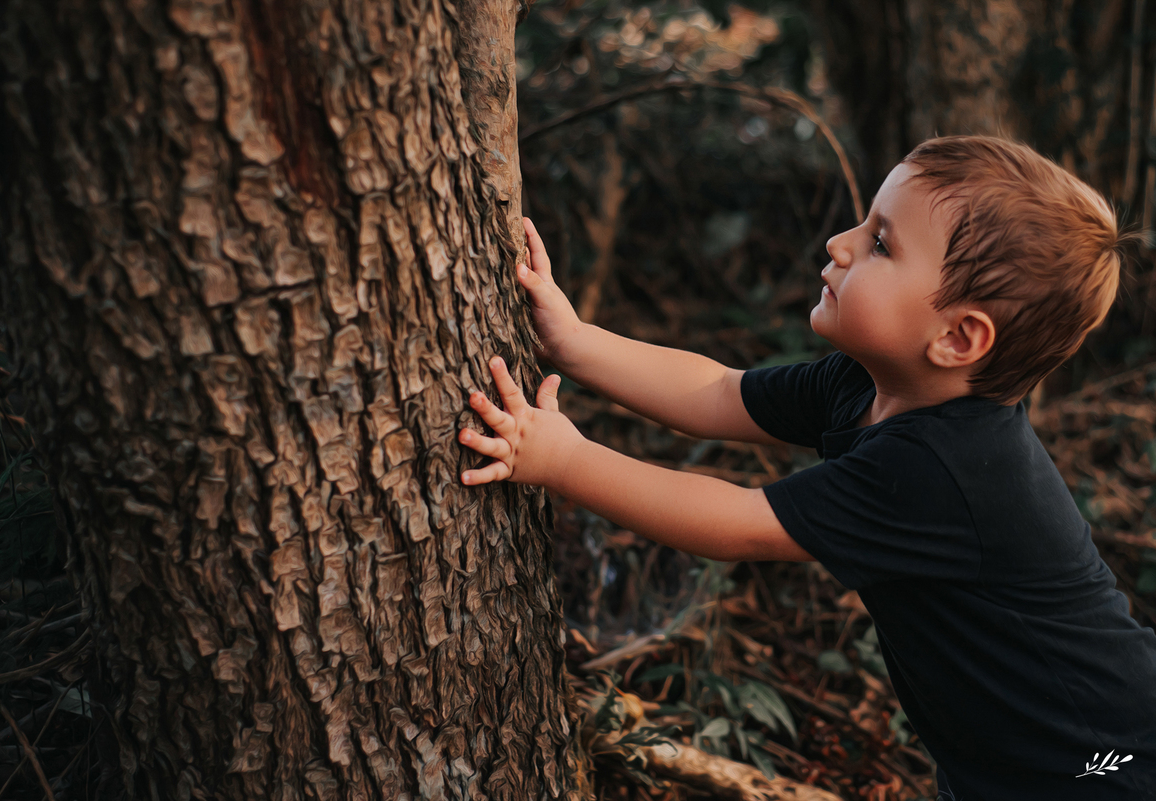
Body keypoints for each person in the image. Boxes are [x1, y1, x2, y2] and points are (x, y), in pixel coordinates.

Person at [458, 135, 1156, 799]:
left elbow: (736, 524)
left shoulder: (942, 469)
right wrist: (576, 342)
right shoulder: (864, 386)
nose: (841, 243)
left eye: (880, 242)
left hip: (1096, 764)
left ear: (957, 337)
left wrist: (564, 457)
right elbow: (719, 391)